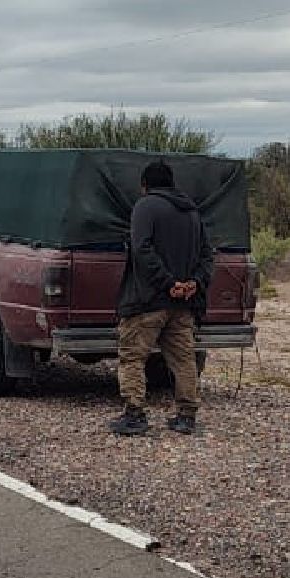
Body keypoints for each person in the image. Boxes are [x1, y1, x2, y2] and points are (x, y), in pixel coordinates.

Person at [110, 160, 214, 436]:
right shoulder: (193, 213)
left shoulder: (144, 207)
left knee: (132, 356)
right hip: (183, 304)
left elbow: (141, 250)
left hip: (148, 301)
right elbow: (207, 255)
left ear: (145, 185)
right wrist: (193, 283)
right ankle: (186, 416)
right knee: (183, 359)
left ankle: (134, 414)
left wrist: (168, 284)